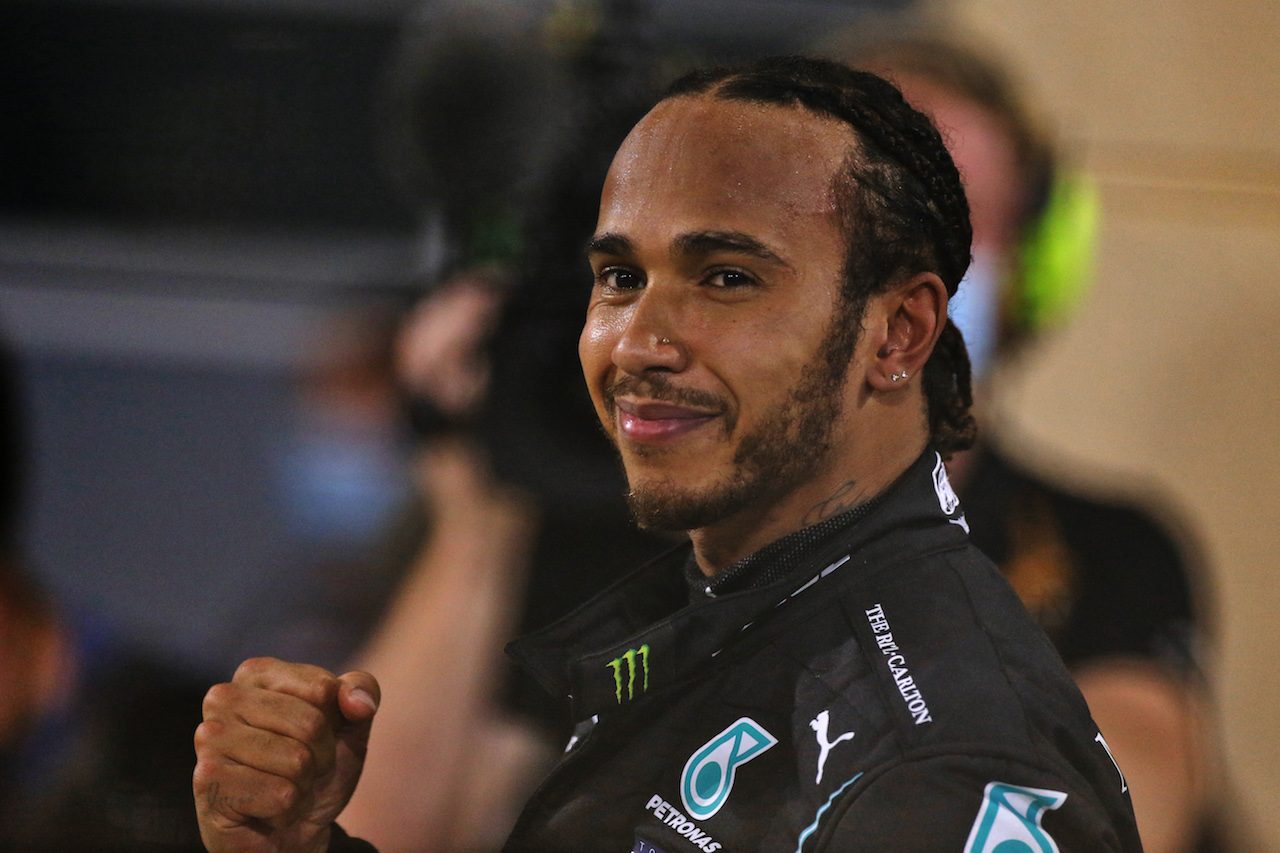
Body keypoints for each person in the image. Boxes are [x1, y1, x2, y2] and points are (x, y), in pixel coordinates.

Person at [193, 56, 1144, 852]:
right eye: (619, 277)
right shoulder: (702, 616)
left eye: (727, 277)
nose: (638, 340)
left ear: (899, 333)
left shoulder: (954, 756)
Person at [838, 36, 1228, 853]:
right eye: (868, 219)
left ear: (1032, 268)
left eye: (960, 224)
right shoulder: (638, 529)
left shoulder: (1110, 551)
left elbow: (1113, 815)